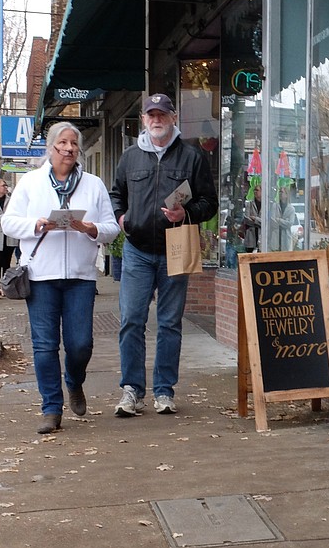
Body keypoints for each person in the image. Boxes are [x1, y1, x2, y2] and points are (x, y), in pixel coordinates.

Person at [1, 122, 119, 434]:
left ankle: (74, 381)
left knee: (80, 343)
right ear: (51, 148)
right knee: (44, 345)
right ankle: (51, 408)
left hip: (80, 276)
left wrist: (91, 228)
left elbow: (111, 227)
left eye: (73, 144)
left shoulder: (93, 184)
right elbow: (9, 223)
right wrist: (37, 225)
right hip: (40, 275)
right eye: (62, 143)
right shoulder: (30, 183)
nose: (68, 148)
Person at [110, 93, 218, 417]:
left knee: (170, 323)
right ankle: (132, 391)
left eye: (162, 114)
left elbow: (209, 202)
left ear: (173, 118)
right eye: (150, 114)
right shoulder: (130, 157)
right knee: (131, 320)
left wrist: (185, 214)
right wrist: (121, 218)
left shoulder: (192, 157)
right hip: (138, 251)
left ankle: (164, 391)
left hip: (176, 246)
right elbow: (117, 193)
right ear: (143, 120)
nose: (156, 119)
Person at [269, 186, 297, 252]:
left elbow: (290, 223)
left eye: (282, 192)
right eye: (279, 192)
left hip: (285, 238)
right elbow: (272, 220)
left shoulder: (291, 209)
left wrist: (279, 220)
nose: (280, 193)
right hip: (276, 236)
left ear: (287, 195)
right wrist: (284, 221)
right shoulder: (275, 206)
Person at [243, 183, 262, 252]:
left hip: (261, 237)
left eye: (257, 190)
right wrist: (259, 223)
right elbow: (247, 219)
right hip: (251, 237)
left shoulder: (266, 205)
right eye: (254, 190)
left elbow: (266, 222)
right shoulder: (249, 204)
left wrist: (255, 219)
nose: (255, 192)